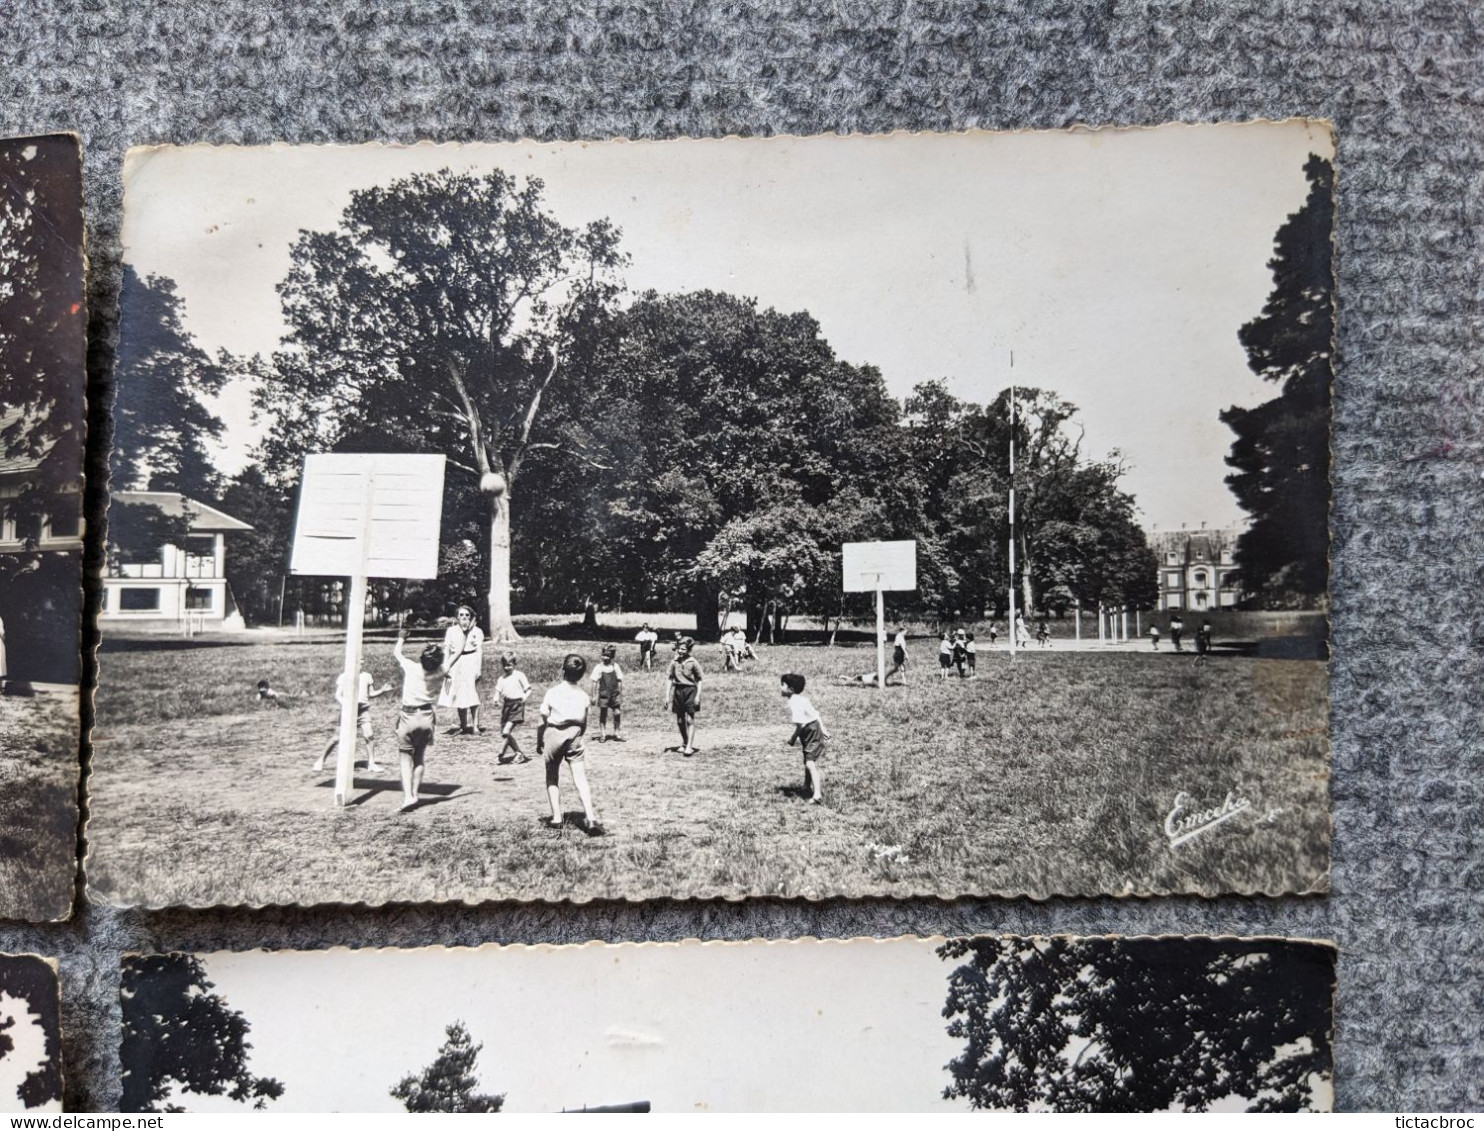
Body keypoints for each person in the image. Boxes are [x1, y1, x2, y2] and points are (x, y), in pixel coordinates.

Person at [536, 653, 603, 835]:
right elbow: (584, 722)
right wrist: (578, 736)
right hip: (575, 736)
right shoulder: (583, 696)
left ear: (562, 671)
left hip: (554, 735)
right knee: (580, 778)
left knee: (552, 775)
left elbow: (543, 719)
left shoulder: (553, 692)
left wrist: (539, 740)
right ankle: (590, 817)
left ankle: (557, 818)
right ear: (581, 675)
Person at [392, 628, 448, 812]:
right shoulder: (440, 672)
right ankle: (415, 794)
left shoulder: (412, 668)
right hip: (426, 718)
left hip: (408, 717)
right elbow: (453, 659)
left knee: (404, 758)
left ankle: (409, 796)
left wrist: (402, 638)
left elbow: (397, 653)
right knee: (419, 757)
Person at [315, 667, 391, 773]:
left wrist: (382, 691)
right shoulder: (344, 676)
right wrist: (346, 705)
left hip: (363, 711)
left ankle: (371, 764)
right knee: (337, 738)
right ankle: (320, 761)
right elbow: (338, 695)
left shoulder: (367, 676)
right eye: (359, 659)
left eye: (362, 659)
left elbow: (370, 694)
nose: (361, 661)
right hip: (348, 712)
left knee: (369, 735)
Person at [780, 672, 830, 805]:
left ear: (790, 689)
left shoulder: (795, 703)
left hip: (810, 731)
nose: (780, 687)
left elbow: (801, 724)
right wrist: (823, 729)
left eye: (782, 685)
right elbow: (816, 714)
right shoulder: (801, 700)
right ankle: (806, 786)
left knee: (810, 763)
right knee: (808, 759)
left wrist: (792, 738)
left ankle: (817, 794)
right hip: (811, 730)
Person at [439, 605, 485, 735]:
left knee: (472, 694)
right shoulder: (452, 631)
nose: (464, 618)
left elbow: (479, 650)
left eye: (467, 615)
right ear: (457, 617)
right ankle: (464, 724)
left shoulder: (477, 631)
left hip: (470, 661)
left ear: (471, 617)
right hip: (455, 663)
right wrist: (445, 666)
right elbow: (447, 650)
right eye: (461, 615)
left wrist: (478, 668)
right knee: (458, 694)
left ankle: (475, 725)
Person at [493, 651, 532, 765]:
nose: (506, 667)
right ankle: (519, 754)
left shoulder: (519, 675)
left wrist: (524, 697)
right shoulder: (502, 679)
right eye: (504, 665)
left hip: (517, 705)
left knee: (506, 731)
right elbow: (498, 691)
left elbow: (528, 689)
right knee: (505, 733)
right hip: (507, 706)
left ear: (515, 664)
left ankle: (500, 755)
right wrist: (496, 699)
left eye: (509, 665)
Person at [667, 636, 703, 756]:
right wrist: (667, 696)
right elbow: (670, 679)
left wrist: (698, 696)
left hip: (690, 691)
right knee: (680, 720)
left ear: (689, 650)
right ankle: (685, 741)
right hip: (678, 691)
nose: (681, 651)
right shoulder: (674, 662)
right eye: (679, 649)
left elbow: (699, 679)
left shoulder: (693, 662)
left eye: (683, 649)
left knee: (689, 719)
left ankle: (689, 746)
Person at [590, 644, 626, 741]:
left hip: (615, 694)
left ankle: (617, 733)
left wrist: (620, 694)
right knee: (603, 713)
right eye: (603, 655)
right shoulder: (599, 667)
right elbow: (594, 682)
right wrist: (593, 696)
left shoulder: (615, 667)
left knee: (617, 713)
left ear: (612, 657)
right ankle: (603, 734)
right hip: (604, 694)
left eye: (608, 656)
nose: (605, 657)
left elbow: (620, 681)